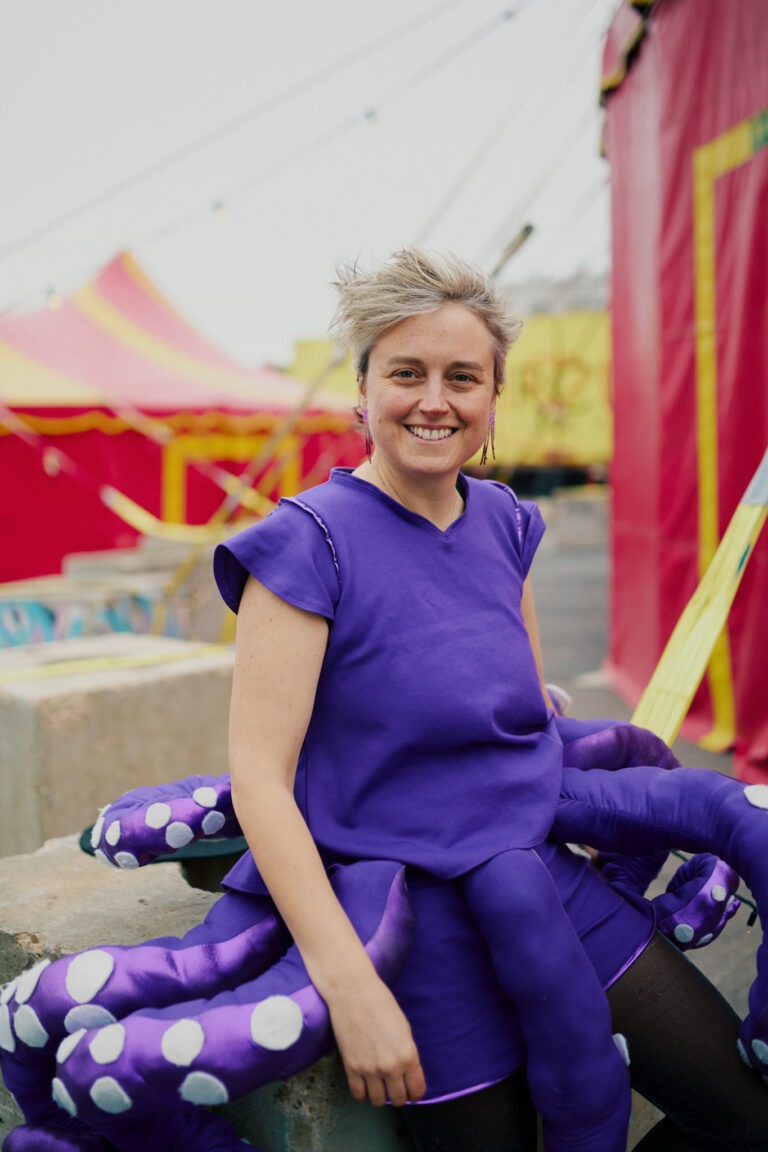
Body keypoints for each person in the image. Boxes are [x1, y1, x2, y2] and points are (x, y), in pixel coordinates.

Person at [4, 249, 768, 1152]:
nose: (434, 400)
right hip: (410, 923)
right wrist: (351, 986)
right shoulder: (304, 547)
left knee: (746, 1117)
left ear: (492, 398)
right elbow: (261, 777)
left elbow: (523, 717)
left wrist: (624, 821)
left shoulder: (505, 522)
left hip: (543, 878)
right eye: (406, 372)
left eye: (463, 377)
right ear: (361, 393)